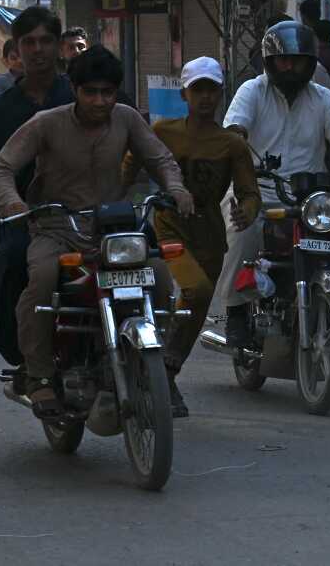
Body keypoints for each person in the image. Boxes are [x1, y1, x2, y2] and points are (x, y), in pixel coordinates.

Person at [0, 46, 192, 420]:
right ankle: (39, 375)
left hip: (114, 229)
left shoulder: (127, 119)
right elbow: (1, 169)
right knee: (43, 280)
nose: (100, 101)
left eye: (108, 92)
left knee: (160, 276)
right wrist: (15, 207)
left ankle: (154, 361)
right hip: (56, 228)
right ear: (75, 90)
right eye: (91, 92)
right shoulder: (47, 122)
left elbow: (160, 159)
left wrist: (175, 187)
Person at [121, 57, 260, 417]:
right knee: (195, 291)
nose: (205, 97)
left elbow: (249, 192)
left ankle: (166, 371)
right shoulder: (164, 131)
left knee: (196, 304)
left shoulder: (232, 144)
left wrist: (248, 211)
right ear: (184, 93)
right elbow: (129, 167)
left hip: (210, 233)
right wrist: (111, 201)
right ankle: (161, 366)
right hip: (170, 225)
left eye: (211, 89)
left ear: (220, 93)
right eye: (197, 89)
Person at [213, 20, 330, 348]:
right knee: (241, 229)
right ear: (269, 61)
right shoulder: (252, 91)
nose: (289, 67)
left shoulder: (323, 99)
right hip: (257, 192)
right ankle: (234, 311)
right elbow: (234, 132)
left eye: (297, 60)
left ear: (310, 63)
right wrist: (237, 147)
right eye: (282, 60)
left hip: (310, 199)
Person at [0, 7, 75, 366]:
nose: (38, 50)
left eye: (46, 40)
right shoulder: (2, 110)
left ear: (58, 46)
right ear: (16, 48)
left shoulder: (82, 98)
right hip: (26, 221)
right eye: (29, 42)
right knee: (13, 264)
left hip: (83, 215)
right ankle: (30, 362)